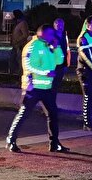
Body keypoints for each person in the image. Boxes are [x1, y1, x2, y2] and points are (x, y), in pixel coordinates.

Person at [6, 24, 67, 153]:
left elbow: (60, 61)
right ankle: (11, 140)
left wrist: (57, 48)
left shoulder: (49, 46)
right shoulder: (32, 46)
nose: (53, 36)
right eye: (51, 34)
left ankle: (54, 143)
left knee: (53, 114)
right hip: (33, 87)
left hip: (47, 87)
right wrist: (45, 72)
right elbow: (28, 66)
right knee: (24, 114)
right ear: (42, 34)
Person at [52, 18, 71, 92]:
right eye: (58, 24)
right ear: (54, 25)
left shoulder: (64, 36)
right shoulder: (52, 36)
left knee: (57, 83)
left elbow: (66, 49)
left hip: (62, 64)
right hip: (53, 64)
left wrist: (66, 64)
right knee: (52, 84)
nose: (60, 27)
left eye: (62, 25)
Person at [8, 10, 29, 75]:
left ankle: (20, 74)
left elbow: (25, 35)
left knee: (20, 60)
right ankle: (13, 73)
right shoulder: (17, 23)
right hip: (15, 45)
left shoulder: (22, 23)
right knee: (12, 59)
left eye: (13, 15)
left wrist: (17, 40)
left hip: (20, 45)